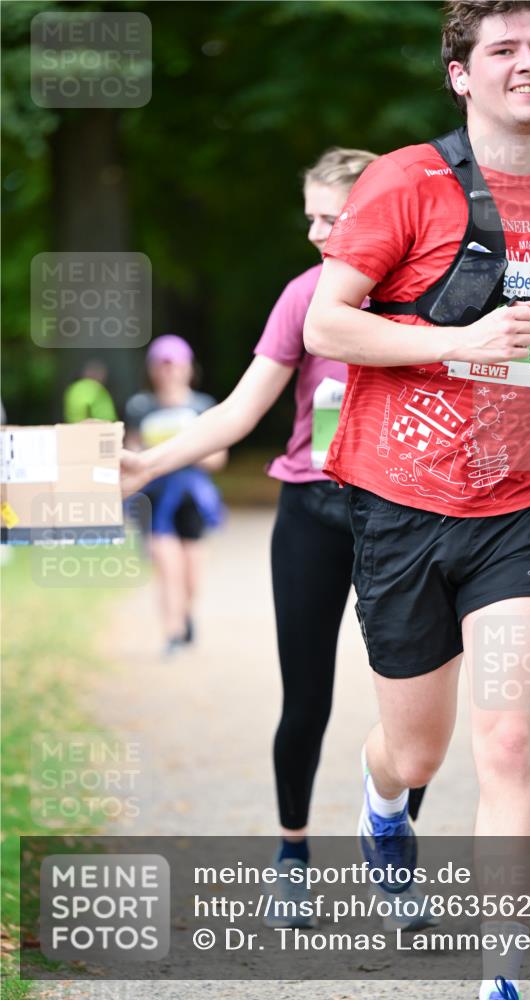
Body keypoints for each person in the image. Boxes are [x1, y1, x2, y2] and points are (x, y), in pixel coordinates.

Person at [304, 3, 530, 998]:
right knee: (419, 744)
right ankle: (383, 799)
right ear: (461, 73)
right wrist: (453, 341)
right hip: (401, 502)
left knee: (504, 737)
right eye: (503, 50)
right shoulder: (405, 180)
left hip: (523, 506)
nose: (527, 63)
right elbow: (329, 322)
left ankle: (501, 977)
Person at [120, 149, 434, 930]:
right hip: (312, 514)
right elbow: (236, 411)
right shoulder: (303, 296)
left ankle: (390, 846)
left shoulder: (424, 293)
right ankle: (292, 856)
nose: (317, 233)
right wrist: (149, 463)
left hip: (402, 518)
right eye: (311, 218)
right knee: (307, 698)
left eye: (334, 218)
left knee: (415, 714)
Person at [124, 335, 227, 657]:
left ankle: (185, 614)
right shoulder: (141, 407)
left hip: (192, 497)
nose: (168, 372)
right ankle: (171, 632)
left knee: (192, 573)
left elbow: (217, 459)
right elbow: (132, 454)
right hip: (156, 499)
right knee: (167, 566)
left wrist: (182, 449)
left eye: (174, 365)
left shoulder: (202, 406)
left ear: (187, 368)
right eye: (162, 365)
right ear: (153, 370)